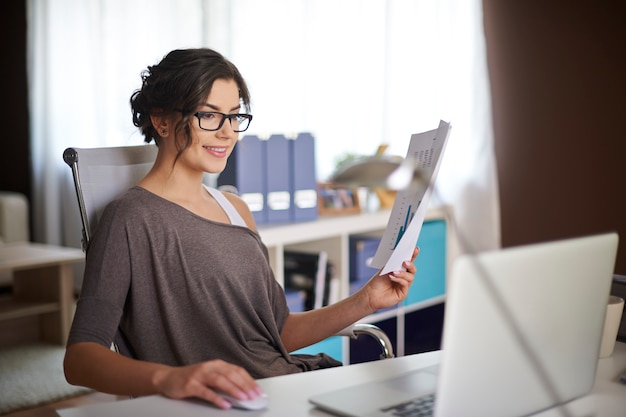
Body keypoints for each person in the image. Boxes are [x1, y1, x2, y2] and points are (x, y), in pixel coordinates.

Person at [63, 48, 418, 410]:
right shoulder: (129, 218)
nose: (227, 133)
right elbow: (80, 359)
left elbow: (276, 331)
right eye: (209, 116)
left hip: (289, 390)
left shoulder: (236, 209)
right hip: (226, 405)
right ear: (162, 120)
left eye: (234, 117)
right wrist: (168, 378)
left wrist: (368, 299)